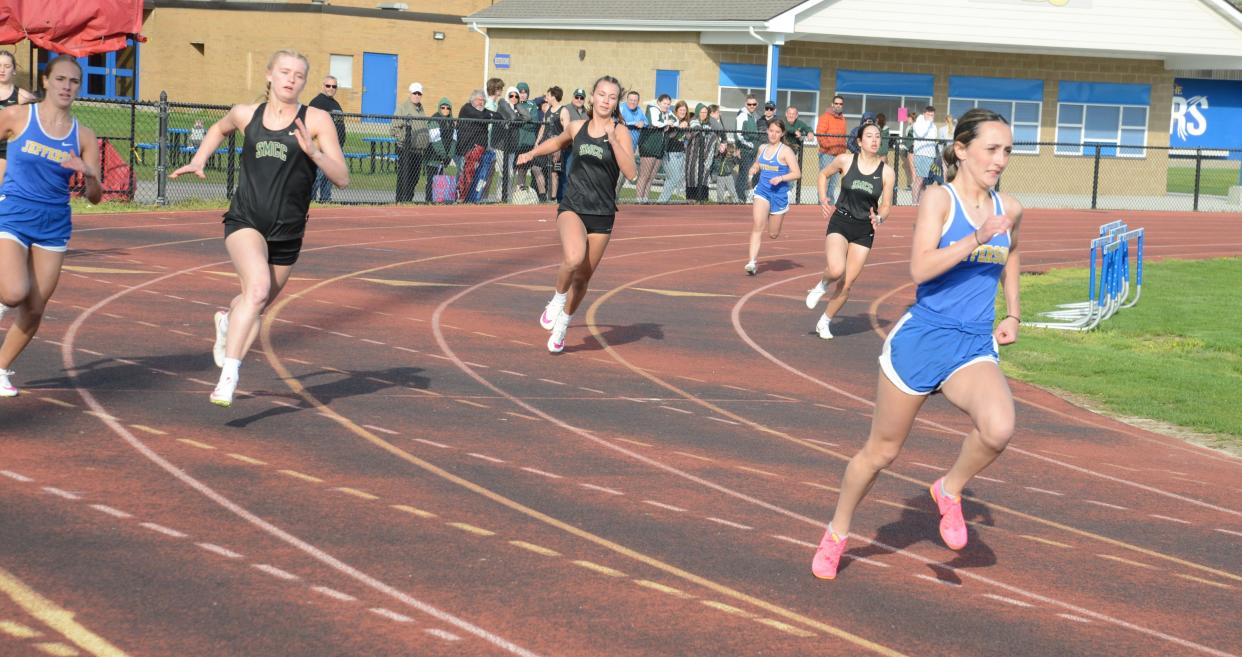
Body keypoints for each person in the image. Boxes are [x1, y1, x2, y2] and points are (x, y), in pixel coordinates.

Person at [810, 109, 1024, 580]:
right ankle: (837, 531)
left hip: (972, 344)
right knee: (881, 454)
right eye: (991, 149)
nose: (1000, 159)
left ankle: (949, 490)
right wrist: (975, 237)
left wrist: (1012, 312)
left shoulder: (1009, 208)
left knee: (999, 428)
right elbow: (920, 270)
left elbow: (1011, 254)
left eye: (1007, 150)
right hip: (923, 338)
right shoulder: (938, 200)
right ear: (962, 150)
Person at [170, 49, 349, 407]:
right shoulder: (245, 113)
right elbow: (219, 129)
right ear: (269, 75)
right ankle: (229, 376)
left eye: (298, 75)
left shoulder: (316, 120)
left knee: (256, 302)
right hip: (245, 220)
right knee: (257, 290)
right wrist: (199, 158)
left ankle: (226, 320)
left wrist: (314, 153)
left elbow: (342, 178)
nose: (291, 79)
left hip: (289, 229)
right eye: (284, 72)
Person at [0, 56, 102, 397]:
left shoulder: (84, 136)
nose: (66, 86)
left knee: (34, 309)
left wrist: (87, 173)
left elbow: (95, 197)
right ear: (45, 81)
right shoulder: (17, 116)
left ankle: (0, 368)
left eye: (73, 81)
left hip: (53, 225)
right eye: (60, 79)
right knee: (14, 292)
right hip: (13, 215)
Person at [517, 75, 636, 354]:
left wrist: (614, 142)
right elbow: (557, 143)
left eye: (612, 97)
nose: (606, 100)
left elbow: (631, 173)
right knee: (573, 257)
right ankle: (557, 300)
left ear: (616, 102)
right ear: (592, 97)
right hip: (573, 206)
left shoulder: (621, 132)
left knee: (582, 279)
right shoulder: (577, 126)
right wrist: (532, 153)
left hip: (603, 214)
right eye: (602, 94)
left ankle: (563, 324)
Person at [805, 122, 895, 339]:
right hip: (841, 221)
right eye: (869, 136)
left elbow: (886, 205)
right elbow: (823, 175)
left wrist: (880, 217)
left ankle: (824, 321)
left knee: (847, 284)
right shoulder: (845, 160)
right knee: (836, 270)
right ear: (859, 141)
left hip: (864, 229)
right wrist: (823, 197)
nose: (874, 140)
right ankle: (822, 284)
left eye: (877, 137)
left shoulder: (887, 172)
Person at [743, 119, 800, 275]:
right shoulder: (762, 148)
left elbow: (797, 173)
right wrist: (754, 168)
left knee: (773, 234)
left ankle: (773, 215)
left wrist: (781, 178)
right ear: (767, 131)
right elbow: (758, 164)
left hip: (779, 194)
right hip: (762, 191)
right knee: (757, 225)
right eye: (771, 130)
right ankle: (752, 262)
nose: (773, 134)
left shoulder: (785, 151)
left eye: (777, 131)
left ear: (782, 134)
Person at [0, 51, 37, 186]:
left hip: (6, 150)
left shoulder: (23, 97)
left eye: (7, 66)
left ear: (14, 70)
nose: (2, 70)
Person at [308, 75, 346, 203]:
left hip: (335, 149)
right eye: (328, 85)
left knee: (328, 177)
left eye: (334, 86)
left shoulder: (335, 103)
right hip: (323, 148)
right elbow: (311, 124)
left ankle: (325, 201)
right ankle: (311, 201)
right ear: (323, 86)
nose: (331, 88)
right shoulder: (317, 102)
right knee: (317, 176)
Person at [454, 89, 495, 202]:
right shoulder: (467, 108)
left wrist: (490, 114)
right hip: (466, 147)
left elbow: (497, 116)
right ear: (472, 100)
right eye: (478, 100)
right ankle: (460, 197)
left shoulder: (484, 112)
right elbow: (480, 116)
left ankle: (469, 197)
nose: (481, 102)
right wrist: (489, 115)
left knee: (474, 174)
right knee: (466, 172)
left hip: (480, 149)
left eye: (483, 100)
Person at [392, 82, 429, 203]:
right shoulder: (403, 107)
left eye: (419, 93)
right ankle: (400, 201)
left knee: (414, 178)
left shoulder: (420, 108)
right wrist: (404, 140)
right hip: (406, 150)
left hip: (418, 151)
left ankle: (408, 201)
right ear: (410, 93)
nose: (417, 95)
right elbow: (394, 128)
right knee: (404, 178)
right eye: (415, 93)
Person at [635, 93, 672, 202]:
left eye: (668, 104)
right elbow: (655, 122)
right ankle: (638, 200)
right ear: (659, 102)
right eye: (664, 103)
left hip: (659, 148)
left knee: (651, 176)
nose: (666, 105)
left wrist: (669, 122)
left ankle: (645, 199)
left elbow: (675, 121)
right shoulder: (652, 109)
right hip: (649, 146)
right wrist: (667, 123)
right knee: (644, 175)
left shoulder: (667, 113)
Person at [816, 95, 848, 203]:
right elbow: (820, 135)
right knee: (825, 179)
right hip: (827, 154)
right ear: (832, 104)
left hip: (839, 156)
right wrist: (829, 147)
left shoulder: (843, 119)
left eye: (841, 104)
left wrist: (842, 151)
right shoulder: (825, 117)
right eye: (836, 103)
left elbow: (843, 137)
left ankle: (830, 204)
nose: (838, 106)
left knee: (834, 182)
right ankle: (822, 204)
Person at [657, 100, 690, 203]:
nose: (683, 112)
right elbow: (669, 136)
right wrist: (678, 127)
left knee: (673, 178)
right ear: (676, 110)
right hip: (670, 152)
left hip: (681, 153)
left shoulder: (686, 122)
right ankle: (661, 201)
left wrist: (687, 128)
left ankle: (663, 201)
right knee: (674, 177)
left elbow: (688, 137)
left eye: (684, 110)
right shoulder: (672, 119)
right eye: (681, 110)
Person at [424, 98, 455, 203]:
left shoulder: (451, 122)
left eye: (448, 108)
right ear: (439, 108)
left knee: (440, 182)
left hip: (444, 159)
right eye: (443, 107)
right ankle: (429, 201)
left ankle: (439, 200)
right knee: (431, 181)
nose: (445, 109)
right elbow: (435, 140)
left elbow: (454, 140)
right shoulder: (434, 119)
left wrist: (449, 156)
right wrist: (443, 154)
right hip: (433, 157)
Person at [908, 105, 939, 203]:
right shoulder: (919, 123)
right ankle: (914, 202)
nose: (931, 117)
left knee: (926, 182)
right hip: (922, 154)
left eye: (932, 115)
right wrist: (928, 122)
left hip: (930, 155)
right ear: (924, 114)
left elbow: (933, 138)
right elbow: (921, 134)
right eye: (929, 115)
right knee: (919, 179)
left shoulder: (932, 125)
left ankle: (920, 203)